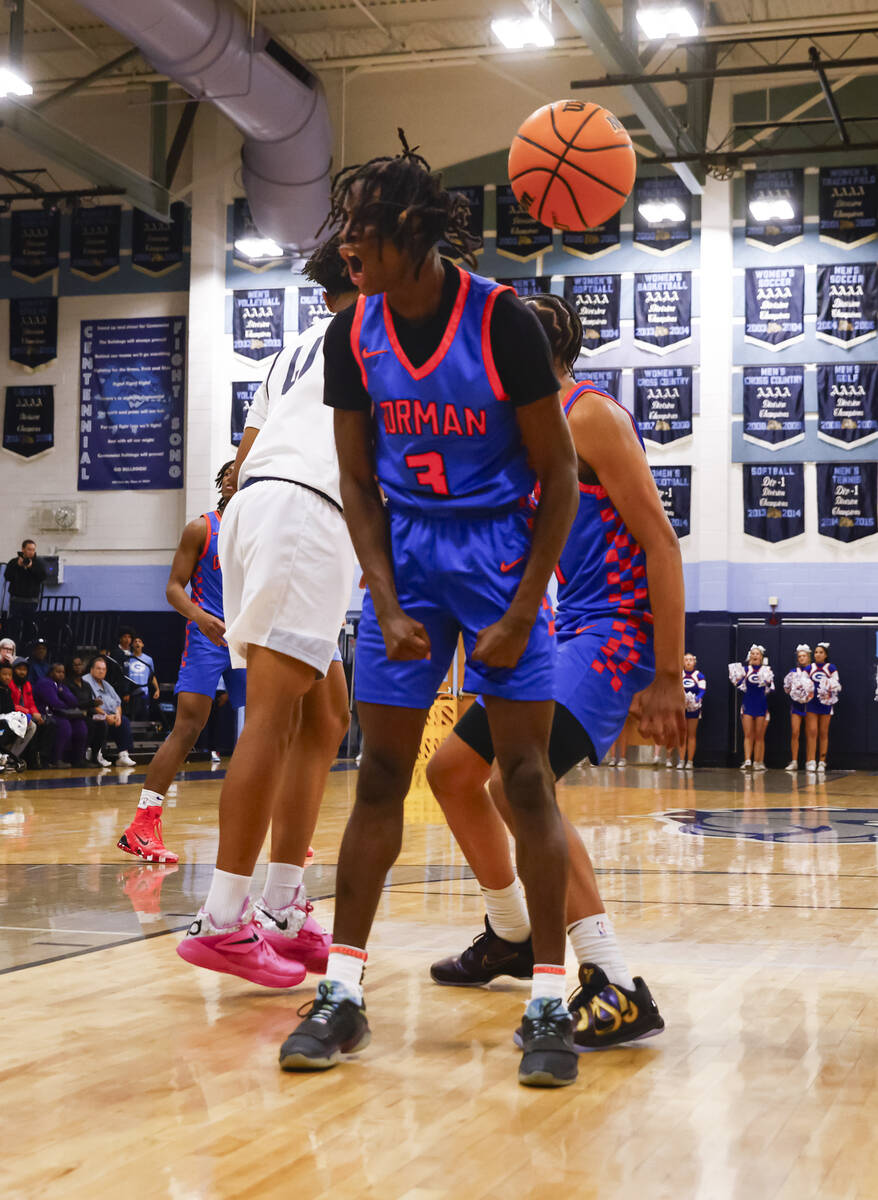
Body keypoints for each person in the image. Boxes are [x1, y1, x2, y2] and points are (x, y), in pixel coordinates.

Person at [276, 143, 581, 1088]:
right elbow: (359, 479)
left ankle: (547, 1001)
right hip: (405, 553)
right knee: (377, 781)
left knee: (525, 781)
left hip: (497, 552)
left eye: (362, 227)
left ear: (412, 230)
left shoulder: (503, 323)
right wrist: (383, 591)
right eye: (345, 227)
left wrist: (525, 604)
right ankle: (343, 992)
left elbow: (560, 472)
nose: (347, 245)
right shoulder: (350, 335)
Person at [422, 292, 683, 1051]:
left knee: (514, 782)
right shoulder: (526, 430)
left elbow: (662, 543)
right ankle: (510, 932)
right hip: (565, 631)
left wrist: (666, 675)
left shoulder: (590, 415)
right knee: (451, 772)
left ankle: (614, 981)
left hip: (611, 635)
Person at [176, 236, 358, 990]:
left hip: (263, 513)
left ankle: (283, 904)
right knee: (275, 719)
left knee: (327, 718)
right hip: (303, 516)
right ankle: (223, 920)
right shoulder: (377, 330)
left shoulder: (295, 349)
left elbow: (244, 456)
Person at [117, 463, 244, 864]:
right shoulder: (201, 528)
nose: (230, 475)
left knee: (272, 729)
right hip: (208, 636)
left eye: (239, 470)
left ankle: (277, 828)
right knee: (188, 727)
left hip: (250, 635)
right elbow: (173, 587)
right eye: (225, 472)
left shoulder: (266, 529)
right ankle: (142, 824)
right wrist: (199, 616)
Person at [33, 662, 89, 767]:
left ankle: (78, 759)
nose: (61, 674)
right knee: (64, 725)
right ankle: (55, 759)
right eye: (58, 672)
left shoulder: (61, 685)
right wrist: (67, 705)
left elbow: (74, 701)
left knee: (80, 725)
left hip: (58, 713)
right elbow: (54, 703)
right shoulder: (45, 683)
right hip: (45, 714)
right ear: (50, 673)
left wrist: (62, 692)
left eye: (63, 672)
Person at [729, 645, 774, 771]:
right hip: (748, 704)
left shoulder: (766, 670)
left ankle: (759, 761)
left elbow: (771, 687)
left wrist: (768, 681)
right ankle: (748, 760)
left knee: (759, 736)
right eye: (753, 654)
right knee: (748, 734)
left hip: (761, 705)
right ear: (750, 656)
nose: (755, 656)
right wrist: (736, 677)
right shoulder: (744, 669)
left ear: (761, 657)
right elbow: (737, 683)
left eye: (757, 654)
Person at [85, 655, 135, 766]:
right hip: (92, 715)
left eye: (103, 669)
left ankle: (123, 755)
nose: (101, 671)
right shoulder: (86, 681)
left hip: (110, 716)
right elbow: (90, 705)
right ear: (92, 669)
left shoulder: (106, 684)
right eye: (98, 668)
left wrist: (117, 715)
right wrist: (106, 716)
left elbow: (118, 703)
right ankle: (97, 754)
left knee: (124, 721)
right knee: (101, 721)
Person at [9, 657, 52, 767]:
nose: (22, 672)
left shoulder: (27, 684)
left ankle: (39, 759)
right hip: (12, 714)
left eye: (24, 669)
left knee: (47, 723)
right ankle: (12, 757)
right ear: (13, 670)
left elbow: (31, 703)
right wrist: (30, 712)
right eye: (19, 669)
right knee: (32, 725)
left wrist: (36, 714)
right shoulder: (9, 683)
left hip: (26, 714)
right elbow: (10, 705)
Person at [807, 642, 840, 775]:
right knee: (812, 732)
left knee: (823, 732)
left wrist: (830, 689)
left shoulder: (831, 667)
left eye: (821, 652)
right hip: (812, 703)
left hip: (826, 703)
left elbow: (836, 684)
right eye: (816, 652)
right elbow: (803, 684)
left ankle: (822, 761)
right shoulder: (809, 668)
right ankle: (810, 761)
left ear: (825, 655)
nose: (818, 654)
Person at [4, 538, 47, 630]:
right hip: (16, 599)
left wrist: (31, 567)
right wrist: (17, 566)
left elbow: (42, 577)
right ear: (23, 549)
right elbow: (7, 577)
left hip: (31, 600)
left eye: (33, 550)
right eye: (29, 549)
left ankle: (28, 644)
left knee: (30, 627)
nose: (31, 552)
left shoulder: (38, 563)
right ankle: (15, 643)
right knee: (14, 626)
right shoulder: (13, 562)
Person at [0, 663, 37, 768]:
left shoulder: (6, 689)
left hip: (7, 718)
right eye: (4, 674)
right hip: (3, 719)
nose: (7, 677)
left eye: (9, 675)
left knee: (31, 726)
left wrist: (24, 715)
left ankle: (10, 758)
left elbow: (10, 708)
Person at [783, 644, 814, 772]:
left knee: (810, 733)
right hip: (796, 705)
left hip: (811, 705)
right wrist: (791, 689)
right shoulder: (793, 672)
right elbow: (786, 689)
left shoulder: (813, 670)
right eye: (799, 656)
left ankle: (809, 761)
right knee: (795, 732)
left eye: (804, 656)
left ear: (808, 657)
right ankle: (794, 761)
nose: (802, 658)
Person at [679, 652, 706, 769]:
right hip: (681, 707)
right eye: (686, 660)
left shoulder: (699, 675)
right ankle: (680, 760)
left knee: (691, 734)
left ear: (694, 662)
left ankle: (690, 761)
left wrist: (696, 699)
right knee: (682, 734)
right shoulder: (680, 674)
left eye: (691, 660)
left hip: (693, 707)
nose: (688, 662)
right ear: (683, 662)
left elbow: (702, 690)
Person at [125, 635, 159, 721]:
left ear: (143, 645)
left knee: (143, 717)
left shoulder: (148, 659)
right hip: (131, 693)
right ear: (132, 645)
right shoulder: (128, 658)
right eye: (135, 641)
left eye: (139, 641)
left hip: (144, 693)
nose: (137, 643)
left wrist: (157, 689)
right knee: (131, 717)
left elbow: (152, 676)